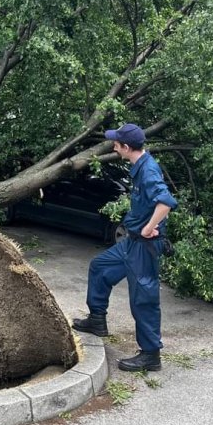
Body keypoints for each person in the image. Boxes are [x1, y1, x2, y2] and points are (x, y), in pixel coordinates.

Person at [73, 123, 177, 372]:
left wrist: (150, 226)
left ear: (126, 147)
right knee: (100, 268)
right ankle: (97, 320)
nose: (114, 147)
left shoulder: (148, 171)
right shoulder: (139, 166)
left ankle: (151, 355)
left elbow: (166, 202)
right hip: (130, 243)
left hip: (144, 247)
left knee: (143, 299)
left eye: (116, 145)